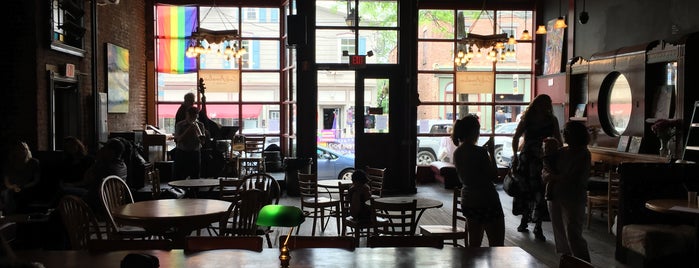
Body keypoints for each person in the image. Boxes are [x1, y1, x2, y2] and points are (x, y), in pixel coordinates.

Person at [511, 94, 562, 241]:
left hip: (536, 159)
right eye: (544, 103)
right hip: (536, 159)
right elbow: (558, 139)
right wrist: (515, 156)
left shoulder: (529, 120)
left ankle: (534, 223)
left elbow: (516, 138)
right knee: (530, 191)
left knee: (536, 192)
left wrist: (516, 155)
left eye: (548, 103)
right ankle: (529, 221)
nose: (546, 106)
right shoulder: (549, 120)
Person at [452, 114, 505, 247]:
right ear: (474, 131)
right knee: (497, 245)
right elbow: (494, 175)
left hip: (469, 200)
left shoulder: (457, 152)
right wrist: (491, 153)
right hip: (487, 200)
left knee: (474, 245)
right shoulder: (480, 152)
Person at [543, 121, 591, 262]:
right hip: (556, 195)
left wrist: (553, 177)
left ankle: (582, 263)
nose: (564, 135)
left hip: (573, 197)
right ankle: (568, 261)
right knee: (560, 233)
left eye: (567, 132)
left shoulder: (583, 154)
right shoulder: (561, 151)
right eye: (564, 132)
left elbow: (574, 177)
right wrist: (550, 176)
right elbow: (546, 168)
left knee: (573, 233)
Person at [66, 138, 128, 212]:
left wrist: (98, 160)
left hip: (98, 203)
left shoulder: (104, 167)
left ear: (111, 152)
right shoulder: (123, 166)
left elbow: (86, 180)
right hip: (113, 203)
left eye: (105, 148)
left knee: (64, 192)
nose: (101, 149)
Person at [2, 141, 41, 214]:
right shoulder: (9, 163)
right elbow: (6, 181)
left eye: (24, 149)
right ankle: (10, 217)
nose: (21, 151)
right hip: (12, 187)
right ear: (15, 151)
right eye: (19, 149)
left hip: (27, 187)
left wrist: (23, 186)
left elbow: (36, 180)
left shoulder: (34, 162)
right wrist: (13, 187)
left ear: (27, 150)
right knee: (7, 193)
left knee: (20, 196)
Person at [174, 106, 205, 180]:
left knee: (195, 176)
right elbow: (178, 140)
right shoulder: (180, 125)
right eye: (191, 116)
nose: (193, 118)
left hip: (195, 153)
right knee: (180, 176)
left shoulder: (200, 125)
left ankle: (195, 191)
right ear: (187, 115)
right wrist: (188, 130)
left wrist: (198, 133)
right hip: (182, 153)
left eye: (195, 116)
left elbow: (202, 142)